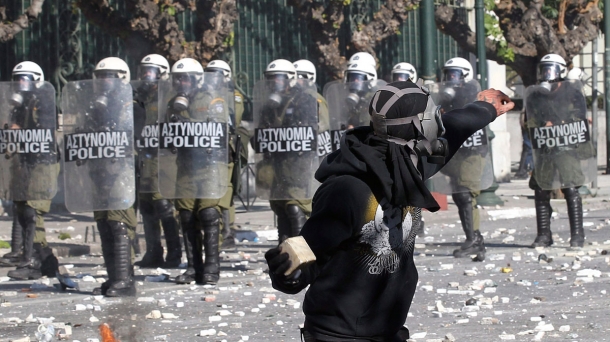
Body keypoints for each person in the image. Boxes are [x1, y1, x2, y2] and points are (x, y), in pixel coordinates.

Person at [265, 79, 514, 341]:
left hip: (387, 331)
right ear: (419, 127)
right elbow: (309, 256)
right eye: (431, 114)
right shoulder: (346, 190)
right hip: (340, 335)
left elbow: (456, 126)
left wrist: (486, 107)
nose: (438, 119)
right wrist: (288, 273)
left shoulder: (409, 163)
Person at [164, 58, 228, 285]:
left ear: (197, 79)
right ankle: (193, 267)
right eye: (177, 79)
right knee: (186, 215)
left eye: (185, 78)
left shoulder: (212, 99)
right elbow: (167, 138)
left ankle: (212, 267)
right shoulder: (172, 103)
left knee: (209, 213)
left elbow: (218, 131)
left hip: (210, 166)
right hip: (186, 166)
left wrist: (186, 120)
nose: (181, 83)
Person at [525, 54, 592, 248]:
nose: (547, 74)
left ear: (561, 70)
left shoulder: (572, 93)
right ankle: (544, 234)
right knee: (540, 189)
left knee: (570, 187)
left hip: (566, 147)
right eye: (544, 70)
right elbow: (531, 119)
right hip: (546, 147)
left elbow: (579, 117)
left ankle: (577, 235)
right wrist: (539, 125)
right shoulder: (537, 95)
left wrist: (561, 122)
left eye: (550, 70)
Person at [3, 61, 60, 280]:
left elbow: (46, 131)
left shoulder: (45, 102)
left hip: (43, 162)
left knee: (33, 210)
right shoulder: (19, 105)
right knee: (22, 209)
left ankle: (34, 261)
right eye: (17, 79)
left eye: (24, 78)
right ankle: (44, 259)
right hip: (25, 161)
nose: (20, 83)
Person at [89, 57, 139, 297]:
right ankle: (114, 277)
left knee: (119, 223)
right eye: (100, 76)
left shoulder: (131, 105)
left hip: (122, 171)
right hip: (100, 172)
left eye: (108, 76)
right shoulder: (95, 107)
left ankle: (125, 279)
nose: (104, 81)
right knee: (104, 223)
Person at [254, 59, 319, 244]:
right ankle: (285, 259)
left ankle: (302, 260)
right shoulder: (269, 106)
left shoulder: (304, 100)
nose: (275, 83)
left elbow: (311, 134)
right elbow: (258, 137)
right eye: (271, 79)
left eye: (279, 79)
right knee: (281, 209)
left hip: (297, 166)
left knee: (295, 208)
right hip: (276, 166)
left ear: (290, 79)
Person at [435, 57, 488, 259]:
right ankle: (474, 239)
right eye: (448, 75)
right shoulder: (444, 96)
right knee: (459, 194)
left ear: (466, 76)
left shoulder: (472, 94)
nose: (450, 79)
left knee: (466, 194)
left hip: (473, 152)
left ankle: (474, 239)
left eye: (455, 75)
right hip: (456, 151)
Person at [133, 54, 182, 268]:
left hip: (166, 161)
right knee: (147, 208)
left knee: (164, 206)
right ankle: (153, 252)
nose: (146, 76)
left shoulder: (171, 97)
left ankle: (174, 253)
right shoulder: (140, 99)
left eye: (150, 71)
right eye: (144, 71)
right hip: (145, 159)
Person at [204, 60, 248, 249]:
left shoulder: (233, 96)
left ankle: (227, 232)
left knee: (226, 190)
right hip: (206, 148)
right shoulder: (203, 95)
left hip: (226, 149)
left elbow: (232, 117)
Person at [293, 59, 332, 159]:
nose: (295, 81)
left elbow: (323, 126)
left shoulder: (314, 97)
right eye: (293, 77)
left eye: (300, 77)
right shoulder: (295, 98)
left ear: (309, 78)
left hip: (315, 151)